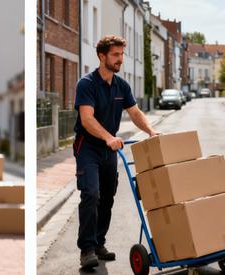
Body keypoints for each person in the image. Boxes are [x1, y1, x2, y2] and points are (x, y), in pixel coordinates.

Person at [72, 35, 160, 269]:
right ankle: (87, 249)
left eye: (121, 54)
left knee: (108, 195)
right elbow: (86, 119)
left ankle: (99, 243)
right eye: (116, 55)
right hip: (88, 147)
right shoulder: (87, 84)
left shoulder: (122, 86)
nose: (121, 59)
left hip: (110, 149)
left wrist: (151, 131)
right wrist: (109, 137)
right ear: (102, 56)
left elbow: (134, 112)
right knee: (91, 193)